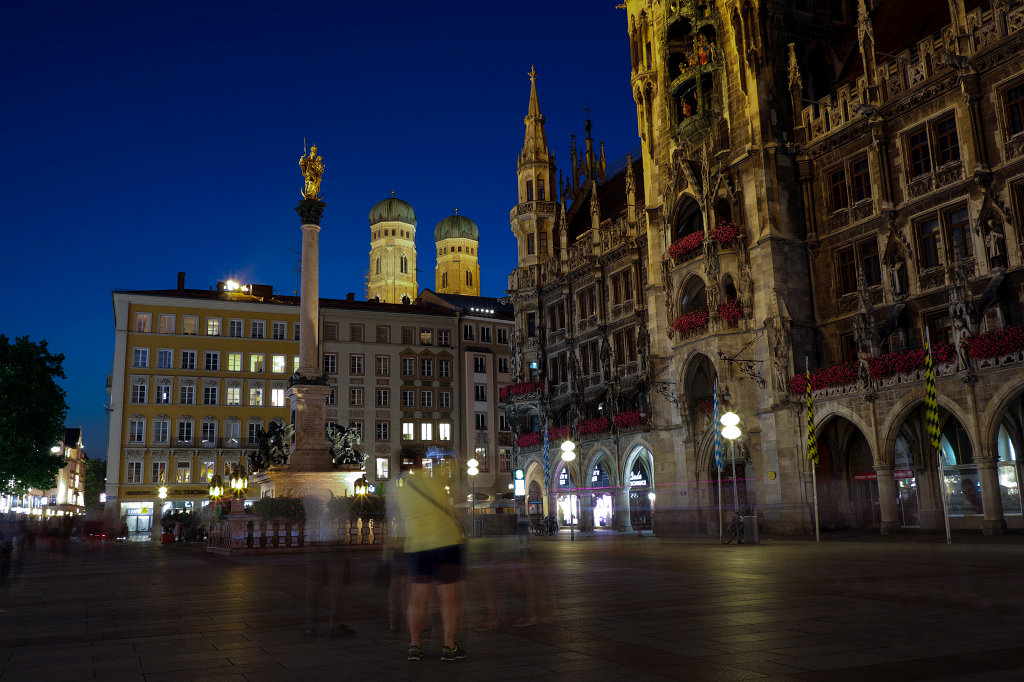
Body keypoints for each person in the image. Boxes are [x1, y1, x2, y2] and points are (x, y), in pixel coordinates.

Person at [390, 458, 467, 662]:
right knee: (448, 598)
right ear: (420, 464)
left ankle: (415, 645)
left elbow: (395, 517)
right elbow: (455, 477)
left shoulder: (399, 489)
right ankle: (448, 646)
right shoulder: (435, 480)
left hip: (416, 546)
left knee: (417, 598)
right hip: (445, 542)